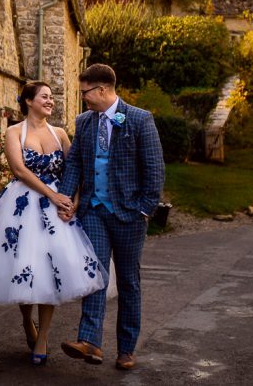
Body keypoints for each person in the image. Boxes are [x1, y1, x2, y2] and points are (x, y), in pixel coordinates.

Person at [0, 81, 108, 366]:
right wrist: (52, 194)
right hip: (22, 206)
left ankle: (43, 336)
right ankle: (27, 320)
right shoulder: (14, 132)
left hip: (57, 210)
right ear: (28, 101)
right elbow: (19, 169)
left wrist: (71, 200)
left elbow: (76, 168)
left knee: (51, 271)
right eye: (45, 97)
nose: (50, 101)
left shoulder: (59, 133)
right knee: (23, 267)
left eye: (51, 97)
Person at [56, 64, 164, 371]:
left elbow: (155, 169)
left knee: (129, 282)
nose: (83, 100)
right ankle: (90, 341)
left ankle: (126, 349)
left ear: (102, 90)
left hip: (130, 214)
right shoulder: (84, 122)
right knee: (95, 274)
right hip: (94, 210)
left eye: (86, 93)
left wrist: (144, 209)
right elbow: (75, 162)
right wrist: (66, 198)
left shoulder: (140, 119)